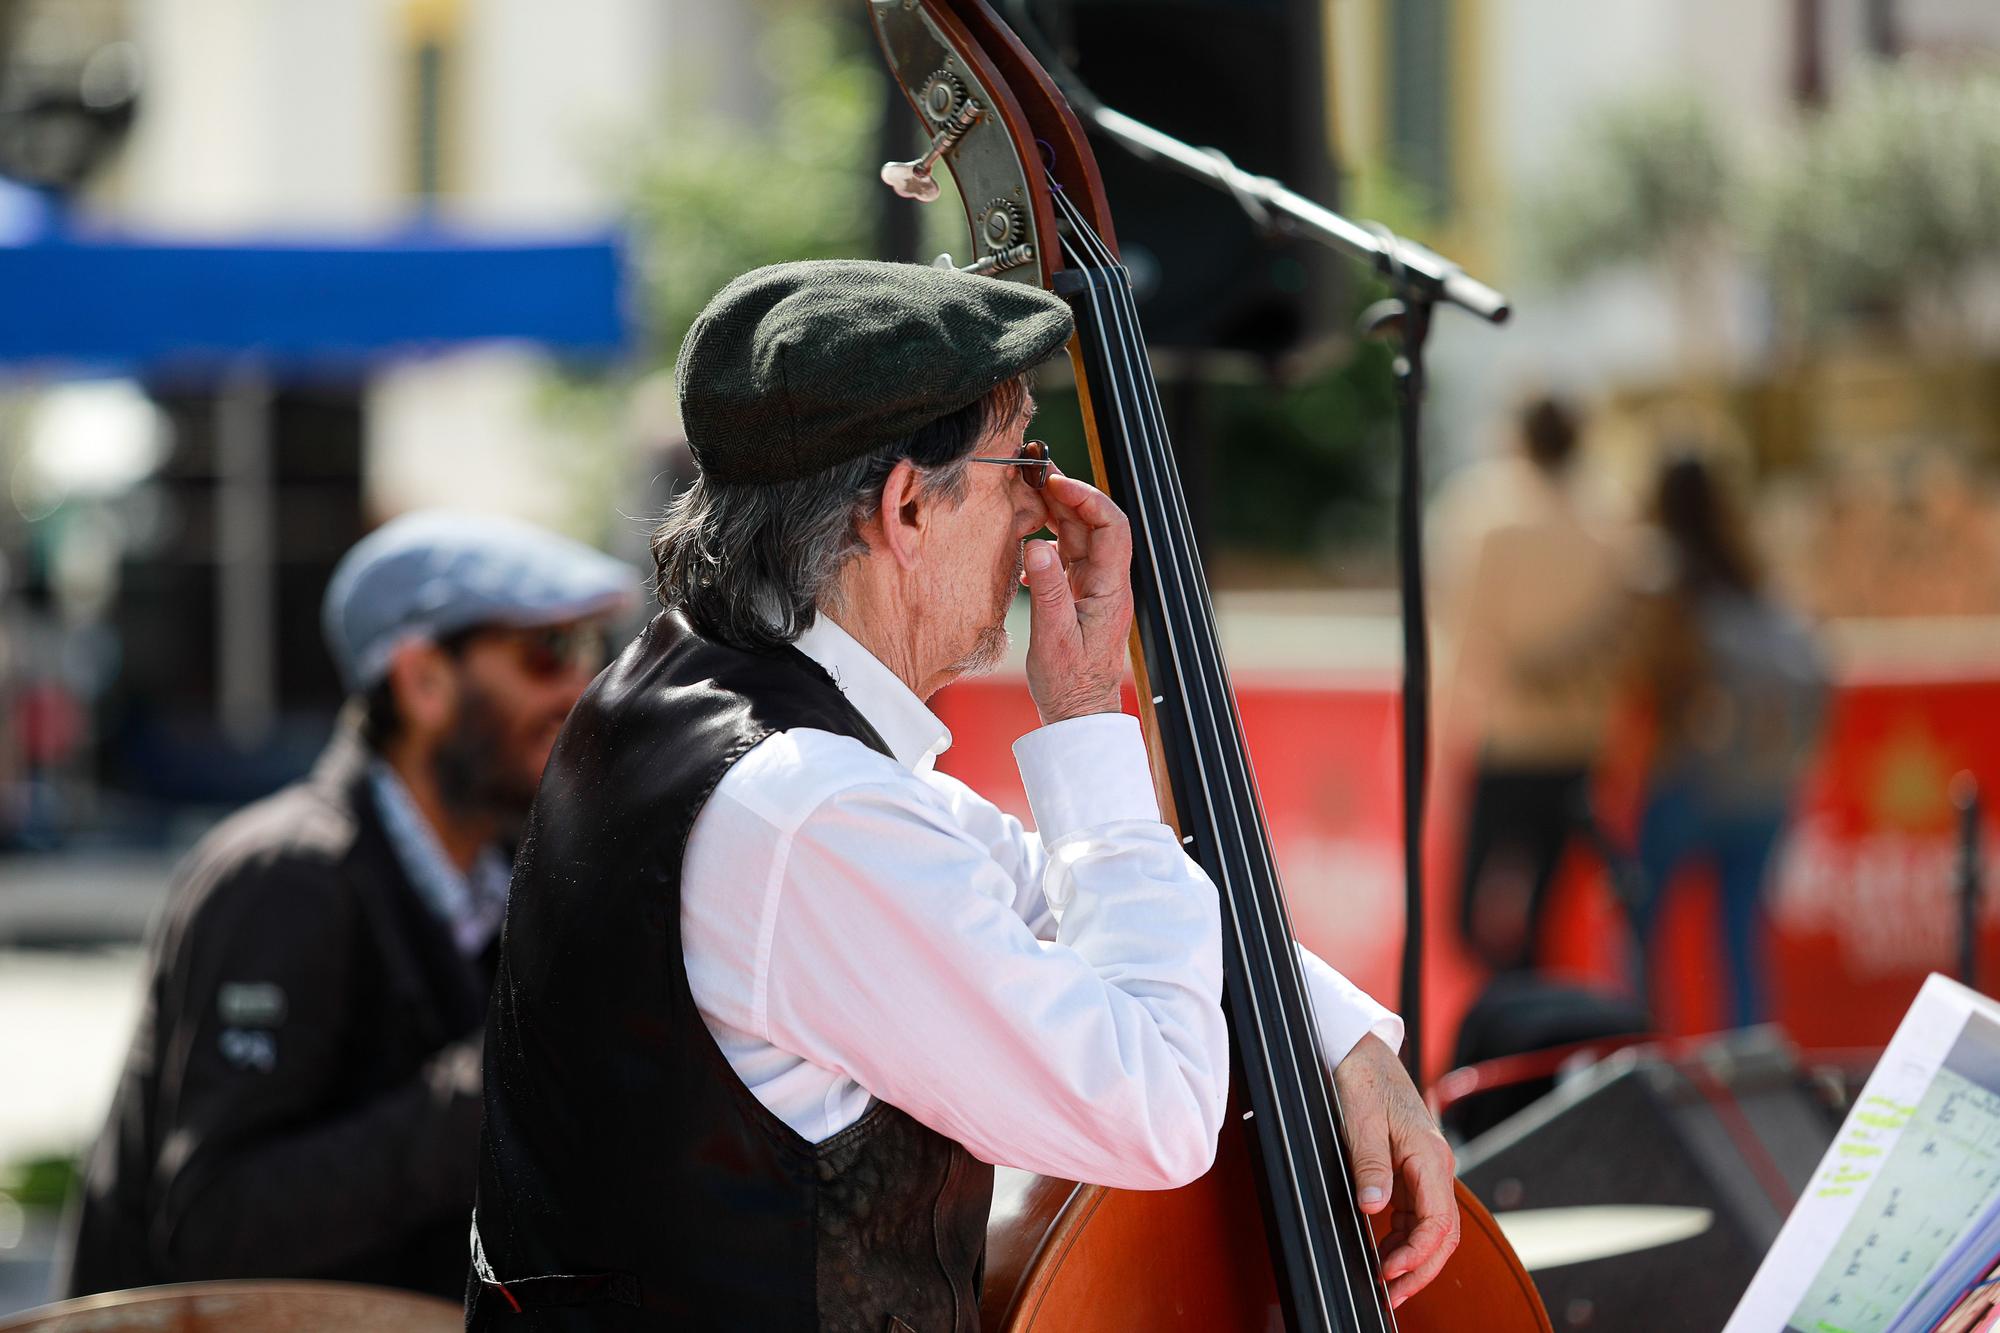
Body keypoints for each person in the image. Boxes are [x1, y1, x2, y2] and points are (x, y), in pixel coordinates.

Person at [468, 260, 1458, 1331]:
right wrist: (1083, 713)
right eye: (1018, 460)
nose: (1043, 503)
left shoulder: (689, 696)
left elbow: (1027, 882)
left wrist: (1335, 1032)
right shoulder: (807, 813)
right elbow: (1158, 1109)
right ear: (904, 505)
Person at [61, 511, 633, 1302]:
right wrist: (495, 1084)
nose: (582, 686)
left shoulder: (511, 874)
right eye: (547, 652)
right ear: (423, 682)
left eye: (591, 649)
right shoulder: (285, 879)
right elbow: (212, 1221)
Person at [1433, 396, 1635, 973]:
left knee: (1470, 914)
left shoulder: (1486, 513)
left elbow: (1464, 631)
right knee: (1547, 911)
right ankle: (1524, 1023)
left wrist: (1449, 727)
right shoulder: (1611, 517)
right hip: (1579, 743)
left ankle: (1508, 1023)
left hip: (1504, 741)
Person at [1629, 453, 1826, 1028]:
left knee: (1641, 929)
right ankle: (1747, 1071)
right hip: (1765, 789)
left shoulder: (1664, 576)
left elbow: (1653, 679)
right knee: (1741, 942)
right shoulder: (1754, 574)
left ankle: (1638, 1060)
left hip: (1690, 781)